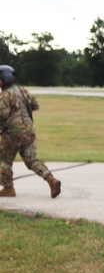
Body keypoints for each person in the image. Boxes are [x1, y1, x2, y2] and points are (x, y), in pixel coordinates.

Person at [0, 64, 61, 198]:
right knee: (32, 160)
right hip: (28, 130)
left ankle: (8, 188)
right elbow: (35, 105)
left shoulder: (5, 95)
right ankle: (51, 180)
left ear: (4, 79)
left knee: (4, 160)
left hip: (13, 133)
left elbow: (2, 115)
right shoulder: (22, 91)